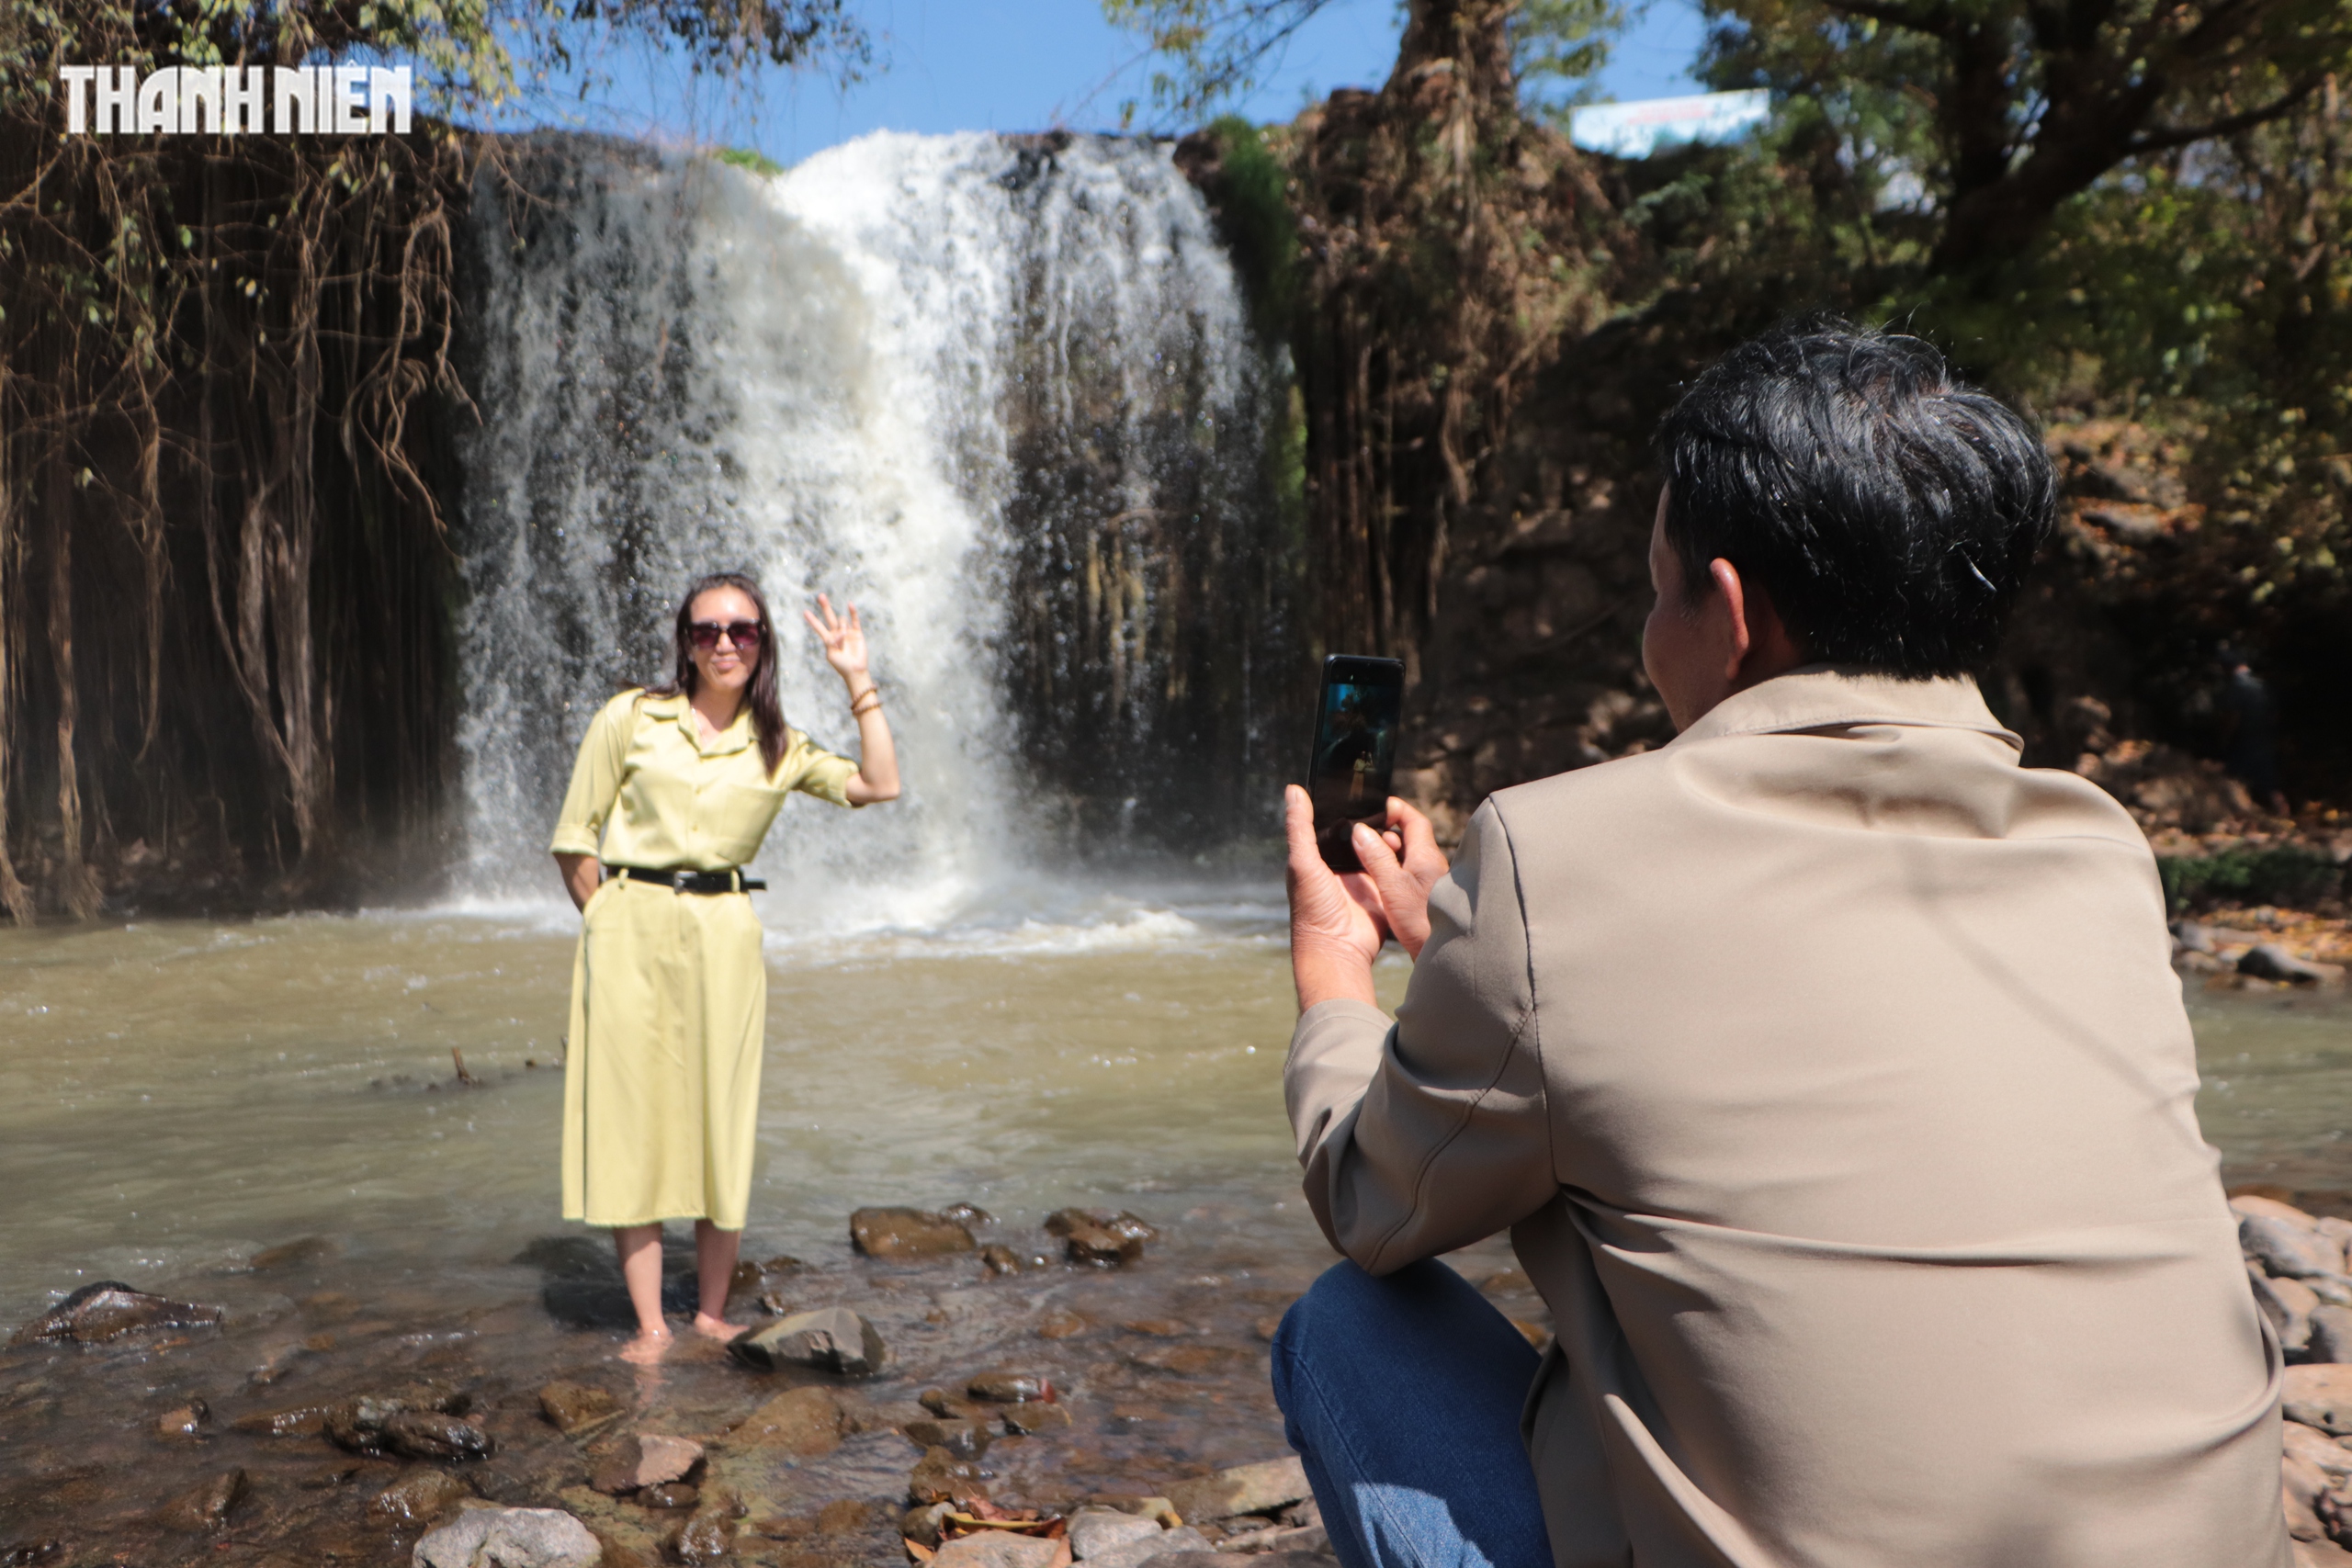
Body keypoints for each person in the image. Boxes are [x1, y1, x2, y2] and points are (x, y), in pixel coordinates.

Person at [1274, 321, 2285, 1568]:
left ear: (1731, 610)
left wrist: (1334, 977)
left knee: (1348, 1326)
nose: (1654, 630)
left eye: (1658, 590)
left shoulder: (1558, 851)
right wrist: (1476, 951)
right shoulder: (2099, 848)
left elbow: (1378, 1202)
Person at [550, 573, 899, 1362]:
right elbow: (576, 836)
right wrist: (606, 922)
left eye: (742, 630)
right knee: (631, 1120)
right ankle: (649, 1326)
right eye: (708, 630)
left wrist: (857, 677)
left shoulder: (779, 745)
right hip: (630, 925)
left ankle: (710, 1314)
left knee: (722, 1114)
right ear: (686, 641)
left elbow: (881, 783)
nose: (724, 643)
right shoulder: (631, 718)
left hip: (725, 935)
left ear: (763, 643)